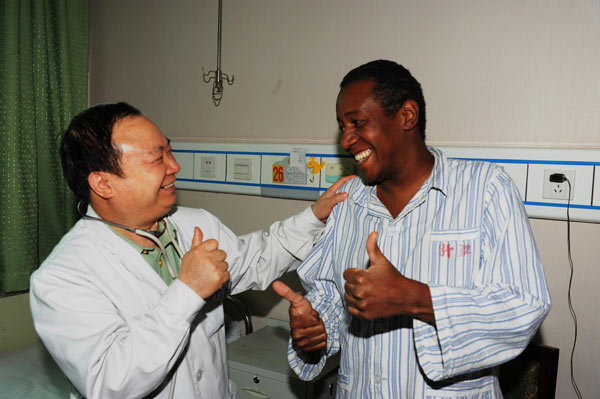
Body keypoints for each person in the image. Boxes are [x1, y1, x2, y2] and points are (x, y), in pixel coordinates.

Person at [29, 102, 353, 399]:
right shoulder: (63, 277)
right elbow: (110, 383)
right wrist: (187, 291)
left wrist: (314, 216)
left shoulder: (194, 226)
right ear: (103, 184)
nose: (175, 166)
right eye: (158, 158)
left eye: (170, 151)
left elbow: (258, 257)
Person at [273, 60, 551, 398]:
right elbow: (331, 297)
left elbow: (524, 306)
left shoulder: (485, 190)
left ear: (407, 115)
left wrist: (414, 297)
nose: (346, 139)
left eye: (357, 122)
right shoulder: (347, 203)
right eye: (342, 125)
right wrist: (317, 330)